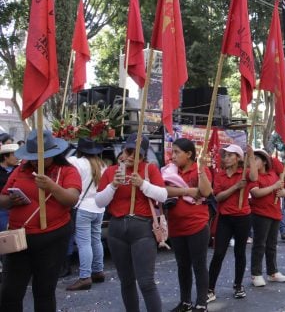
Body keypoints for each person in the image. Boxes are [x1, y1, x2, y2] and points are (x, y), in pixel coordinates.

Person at [0, 129, 81, 312]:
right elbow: (2, 199)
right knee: (9, 293)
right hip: (19, 240)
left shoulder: (67, 170)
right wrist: (11, 200)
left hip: (52, 238)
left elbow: (72, 199)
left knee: (43, 292)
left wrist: (51, 186)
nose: (36, 162)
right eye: (33, 157)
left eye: (42, 158)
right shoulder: (21, 169)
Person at [95, 133, 167, 312]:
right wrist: (113, 186)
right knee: (126, 281)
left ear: (144, 155)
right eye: (129, 151)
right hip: (117, 229)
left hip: (142, 228)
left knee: (146, 282)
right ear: (123, 150)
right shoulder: (111, 171)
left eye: (138, 154)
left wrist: (143, 184)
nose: (132, 156)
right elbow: (99, 202)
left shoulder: (149, 169)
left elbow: (163, 196)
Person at [162, 138, 213, 312]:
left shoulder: (200, 170)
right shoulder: (170, 171)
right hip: (176, 226)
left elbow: (206, 192)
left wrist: (200, 171)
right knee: (182, 266)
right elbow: (164, 191)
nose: (173, 156)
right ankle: (185, 302)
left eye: (177, 152)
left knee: (199, 265)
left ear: (189, 154)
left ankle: (201, 303)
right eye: (172, 152)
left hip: (197, 226)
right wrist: (187, 191)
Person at [208, 143, 256, 302]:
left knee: (240, 252)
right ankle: (210, 288)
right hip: (225, 218)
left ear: (238, 158)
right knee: (219, 253)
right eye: (225, 155)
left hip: (243, 217)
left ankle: (238, 285)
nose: (226, 158)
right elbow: (218, 197)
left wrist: (252, 155)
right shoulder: (220, 175)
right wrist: (236, 187)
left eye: (230, 155)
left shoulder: (245, 173)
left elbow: (255, 178)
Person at [66, 138, 107, 291]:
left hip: (83, 207)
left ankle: (85, 277)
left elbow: (63, 161)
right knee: (96, 240)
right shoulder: (102, 165)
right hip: (98, 207)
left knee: (83, 244)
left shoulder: (77, 162)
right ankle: (98, 271)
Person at [248, 148, 285, 287]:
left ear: (265, 162)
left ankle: (273, 272)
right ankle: (256, 274)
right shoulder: (253, 176)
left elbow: (283, 191)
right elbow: (256, 193)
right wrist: (274, 187)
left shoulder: (273, 174)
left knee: (272, 245)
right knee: (259, 244)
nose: (253, 162)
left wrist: (282, 191)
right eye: (252, 160)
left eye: (256, 159)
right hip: (260, 214)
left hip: (275, 213)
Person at [0, 143, 19, 231]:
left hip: (18, 206)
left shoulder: (19, 169)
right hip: (2, 209)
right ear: (5, 157)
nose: (17, 157)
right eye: (14, 155)